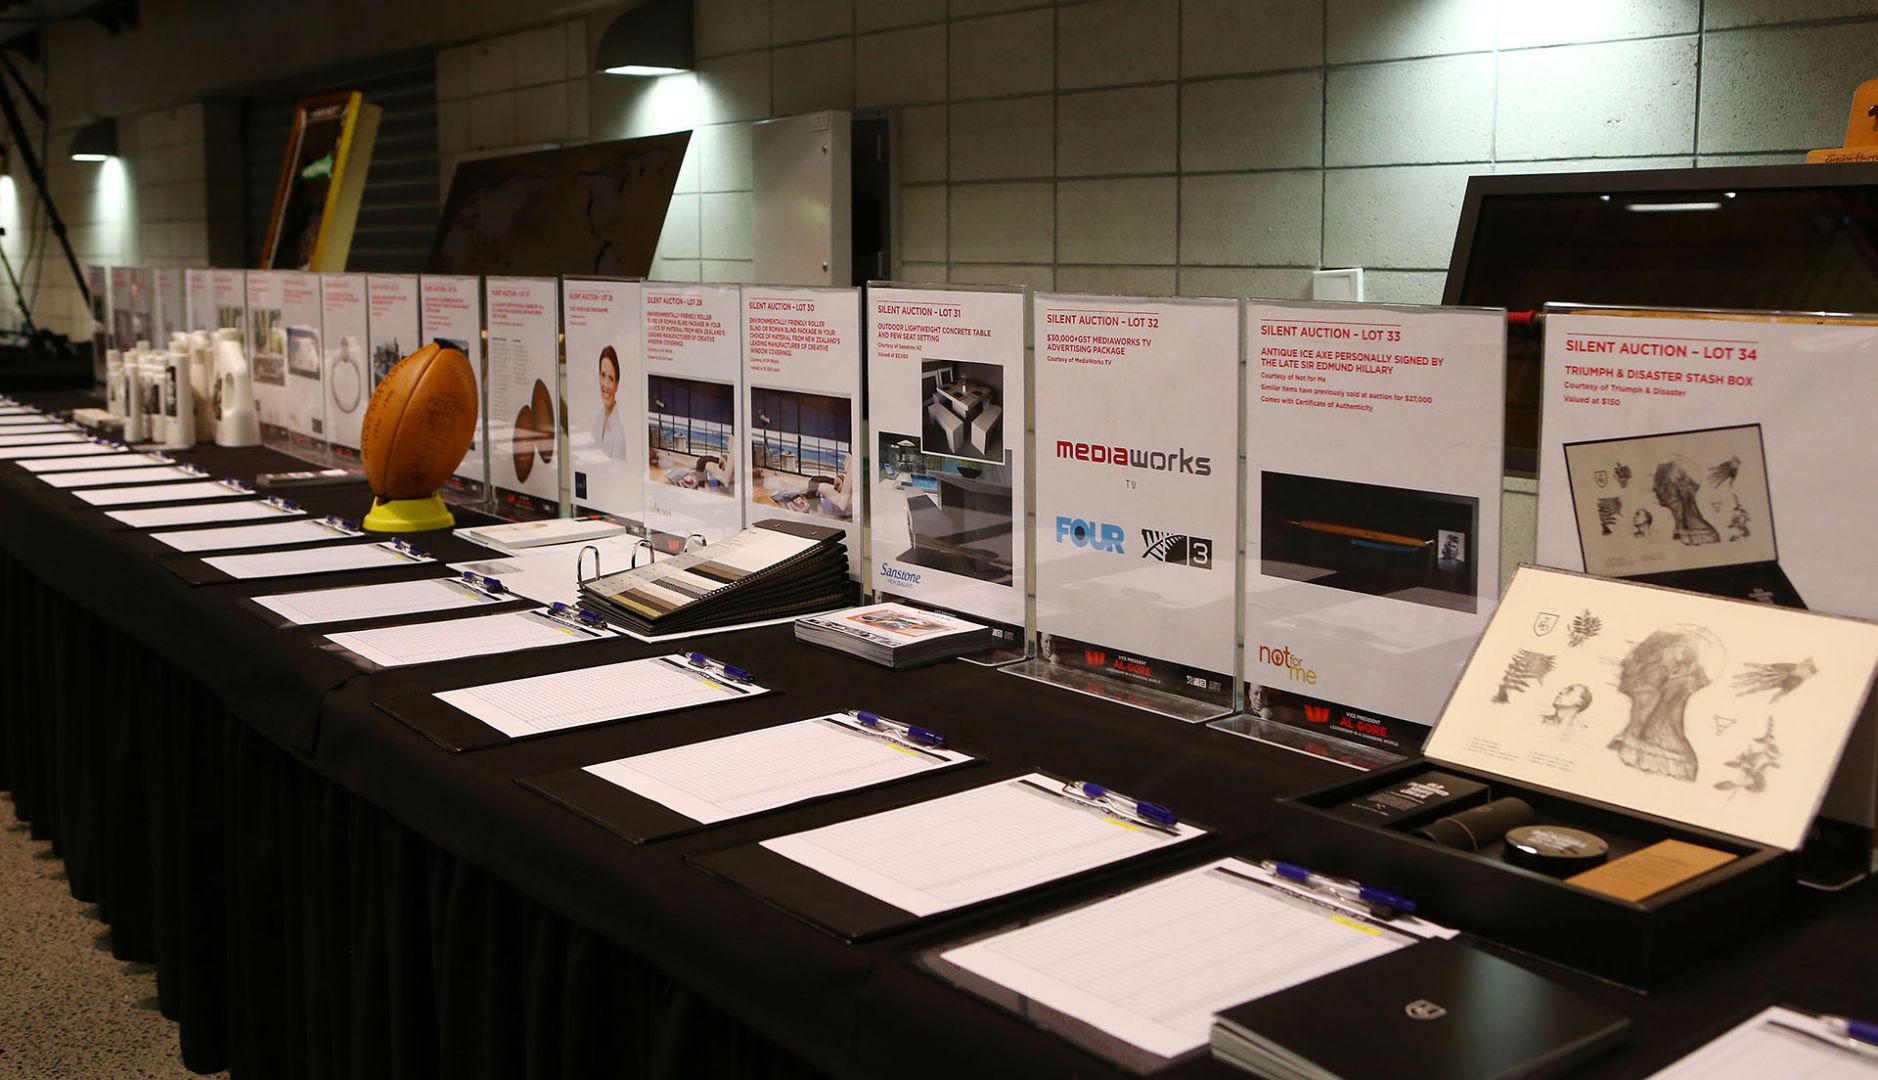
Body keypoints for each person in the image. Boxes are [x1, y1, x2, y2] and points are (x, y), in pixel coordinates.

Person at [590, 346, 628, 460]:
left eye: (611, 378)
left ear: (617, 384)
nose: (605, 385)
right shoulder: (598, 419)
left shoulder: (618, 434)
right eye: (603, 375)